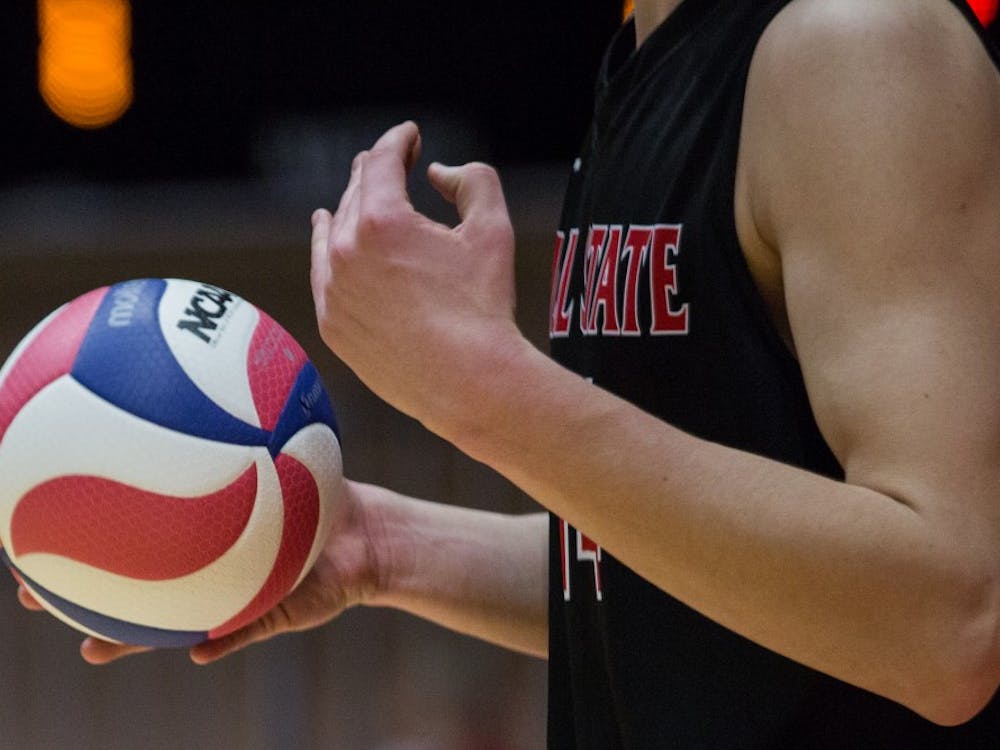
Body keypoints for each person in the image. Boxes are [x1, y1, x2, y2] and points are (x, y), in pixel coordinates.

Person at [19, 0, 1000, 745]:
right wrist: (385, 546)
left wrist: (483, 390)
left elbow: (950, 621)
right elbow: (693, 590)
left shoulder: (858, 44)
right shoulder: (646, 62)